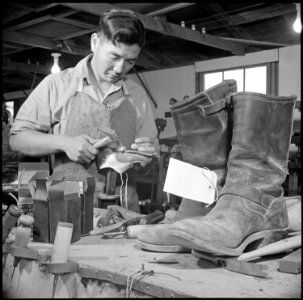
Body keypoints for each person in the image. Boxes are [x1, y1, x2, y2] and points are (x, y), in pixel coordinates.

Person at [9, 9, 159, 213]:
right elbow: (17, 139)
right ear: (95, 42)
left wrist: (146, 157)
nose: (119, 68)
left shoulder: (138, 96)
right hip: (67, 213)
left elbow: (149, 165)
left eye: (130, 61)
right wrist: (64, 143)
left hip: (124, 216)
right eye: (114, 57)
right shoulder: (58, 85)